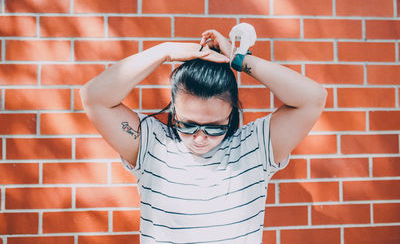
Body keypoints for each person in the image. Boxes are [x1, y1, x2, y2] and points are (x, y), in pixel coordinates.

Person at [80, 29, 327, 243]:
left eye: (215, 127)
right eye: (187, 125)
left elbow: (313, 98)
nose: (199, 138)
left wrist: (239, 59)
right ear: (174, 111)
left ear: (231, 116)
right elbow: (94, 97)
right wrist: (164, 51)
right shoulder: (154, 146)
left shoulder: (254, 149)